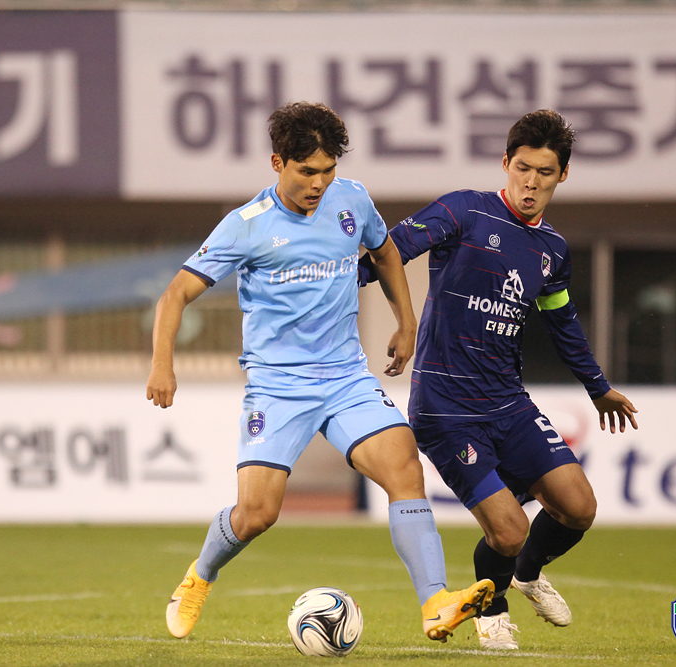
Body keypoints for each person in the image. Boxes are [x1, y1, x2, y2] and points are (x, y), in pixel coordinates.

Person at [147, 102, 492, 643]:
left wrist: (407, 322)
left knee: (403, 467)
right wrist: (162, 365)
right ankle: (200, 575)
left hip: (345, 378)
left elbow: (385, 254)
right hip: (278, 386)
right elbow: (175, 294)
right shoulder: (246, 226)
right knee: (257, 514)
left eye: (328, 170)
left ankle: (434, 604)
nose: (319, 183)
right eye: (307, 171)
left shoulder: (351, 199)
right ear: (277, 163)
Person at [358, 109, 638, 650]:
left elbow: (562, 322)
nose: (531, 182)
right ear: (505, 162)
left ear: (563, 175)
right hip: (445, 407)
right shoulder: (465, 210)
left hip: (508, 402)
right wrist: (333, 285)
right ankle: (493, 609)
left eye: (545, 173)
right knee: (508, 530)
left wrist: (597, 387)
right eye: (523, 168)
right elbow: (388, 253)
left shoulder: (552, 250)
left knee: (578, 507)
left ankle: (527, 573)